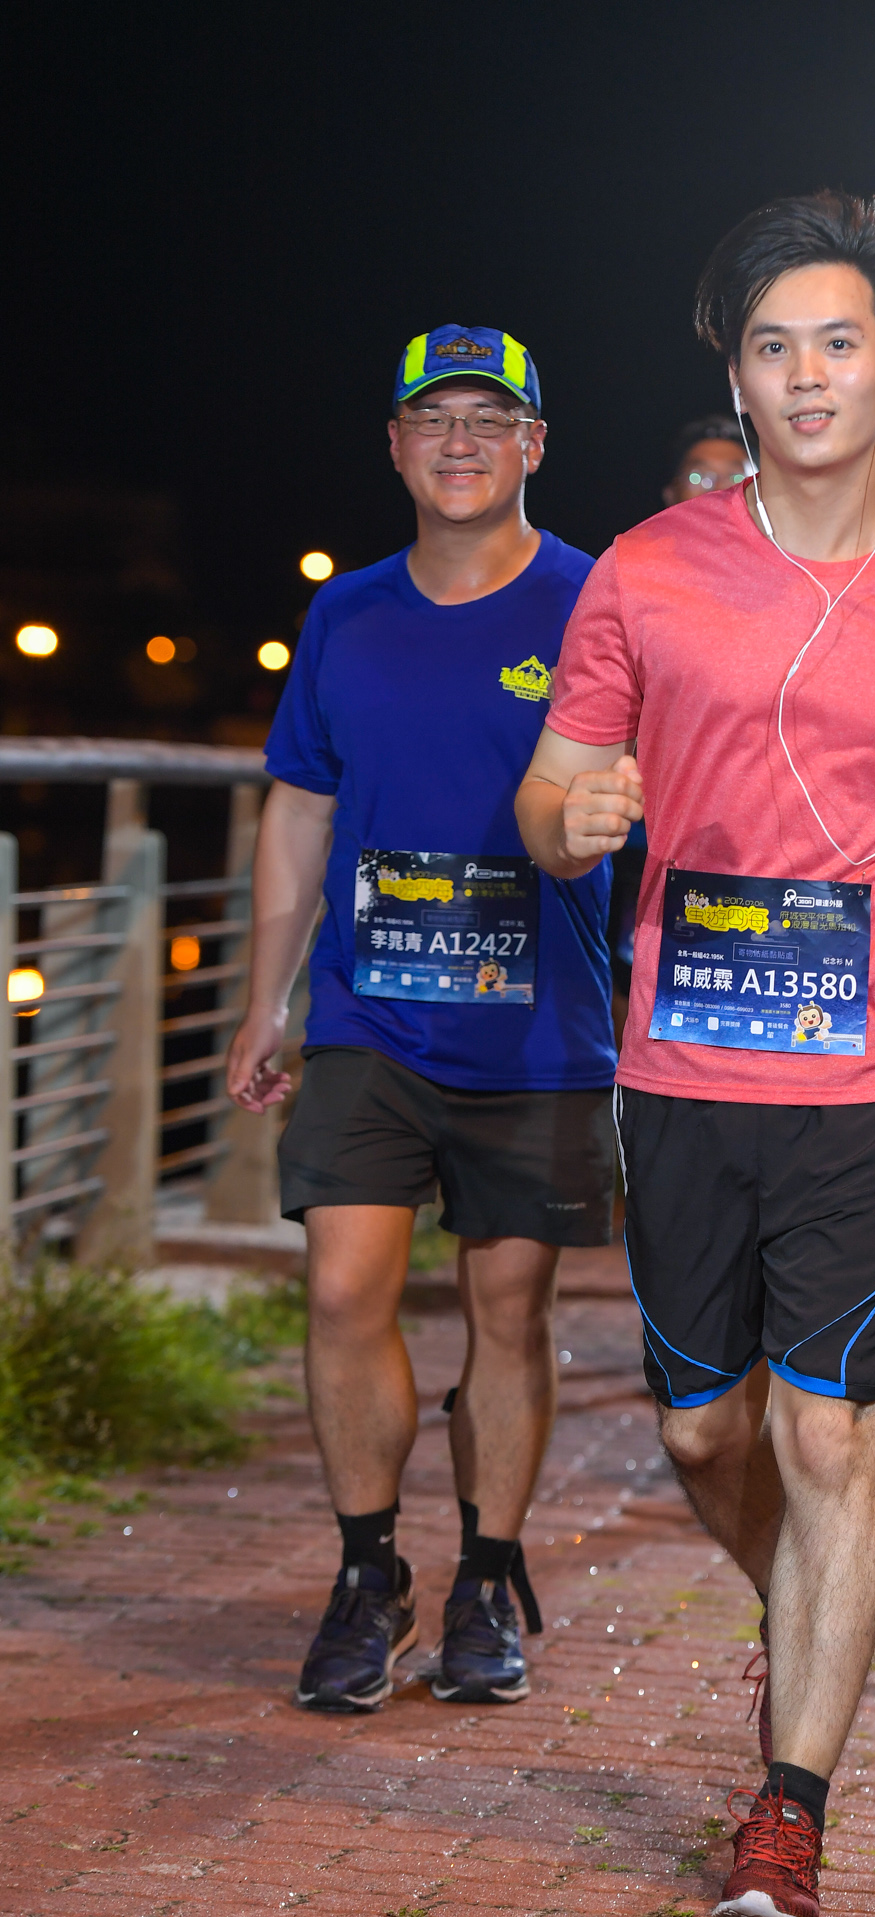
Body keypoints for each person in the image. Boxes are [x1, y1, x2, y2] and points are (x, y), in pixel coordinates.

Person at [515, 190, 875, 1917]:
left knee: (831, 1430)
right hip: (683, 1064)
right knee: (704, 1429)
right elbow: (552, 790)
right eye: (774, 348)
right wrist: (569, 816)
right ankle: (819, 1605)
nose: (808, 375)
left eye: (839, 342)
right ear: (737, 376)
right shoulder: (644, 571)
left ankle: (789, 1807)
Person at [225, 323, 617, 1714]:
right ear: (395, 446)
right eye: (434, 417)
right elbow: (301, 806)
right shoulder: (346, 613)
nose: (461, 441)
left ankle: (486, 1579)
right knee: (344, 1288)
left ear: (534, 445)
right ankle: (367, 1574)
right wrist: (265, 999)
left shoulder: (596, 603)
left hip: (539, 1026)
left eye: (489, 418)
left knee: (508, 1307)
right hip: (369, 1018)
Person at [606, 416, 756, 1036]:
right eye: (700, 477)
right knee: (632, 1005)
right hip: (642, 859)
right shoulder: (625, 591)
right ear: (669, 494)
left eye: (735, 475)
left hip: (756, 873)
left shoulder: (800, 597)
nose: (716, 490)